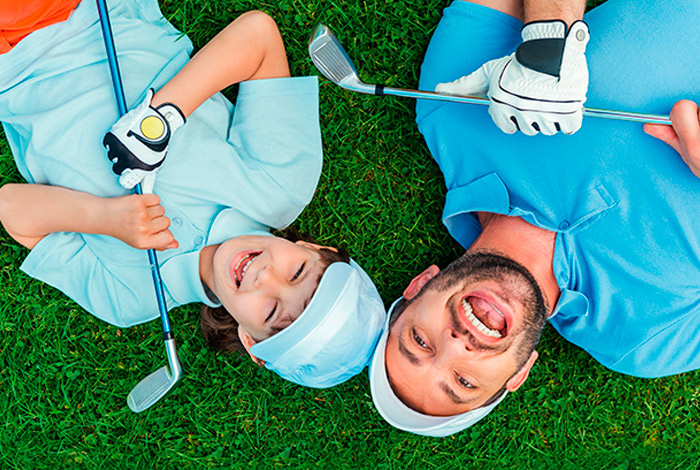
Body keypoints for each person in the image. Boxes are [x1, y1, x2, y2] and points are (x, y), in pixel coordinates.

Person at [0, 0, 385, 389]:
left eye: (271, 311)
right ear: (314, 248)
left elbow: (10, 208)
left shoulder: (132, 298)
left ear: (251, 342)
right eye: (297, 272)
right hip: (92, 11)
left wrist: (106, 219)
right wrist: (161, 119)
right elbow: (258, 36)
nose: (266, 276)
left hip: (9, 73)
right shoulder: (281, 185)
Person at [368, 0, 700, 436]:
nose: (455, 344)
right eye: (464, 382)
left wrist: (546, 37)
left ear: (417, 288)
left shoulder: (450, 108)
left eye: (419, 342)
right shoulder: (649, 342)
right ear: (520, 373)